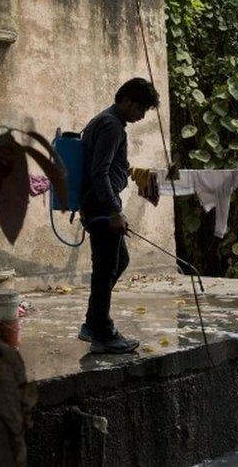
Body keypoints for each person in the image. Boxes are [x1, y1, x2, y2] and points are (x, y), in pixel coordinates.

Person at [77, 77, 159, 354]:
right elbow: (99, 173)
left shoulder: (105, 121)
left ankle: (93, 323)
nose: (142, 115)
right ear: (126, 100)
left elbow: (108, 168)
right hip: (101, 207)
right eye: (141, 109)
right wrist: (114, 212)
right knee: (106, 268)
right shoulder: (111, 126)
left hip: (97, 204)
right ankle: (103, 332)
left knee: (117, 261)